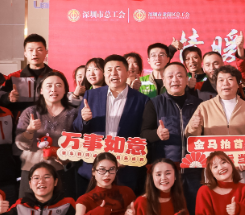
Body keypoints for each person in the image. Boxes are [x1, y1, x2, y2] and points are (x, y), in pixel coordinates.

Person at [74, 55, 150, 188]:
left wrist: (128, 157)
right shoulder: (91, 95)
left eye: (118, 69)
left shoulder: (142, 100)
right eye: (109, 70)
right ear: (104, 74)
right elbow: (76, 128)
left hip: (125, 169)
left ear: (128, 72)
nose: (113, 73)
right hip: (93, 168)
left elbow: (144, 135)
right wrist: (83, 120)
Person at [15, 71, 78, 199]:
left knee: (61, 209)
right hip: (32, 172)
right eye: (49, 85)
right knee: (27, 208)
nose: (53, 89)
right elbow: (20, 144)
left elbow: (78, 145)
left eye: (58, 85)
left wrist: (67, 158)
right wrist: (30, 130)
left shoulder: (73, 113)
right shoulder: (30, 112)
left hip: (60, 172)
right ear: (41, 90)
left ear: (65, 89)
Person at [141, 62, 203, 165]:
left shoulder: (199, 105)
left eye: (179, 76)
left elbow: (207, 134)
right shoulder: (154, 104)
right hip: (165, 166)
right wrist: (156, 134)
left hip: (194, 164)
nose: (175, 80)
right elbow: (143, 134)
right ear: (164, 81)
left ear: (186, 80)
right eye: (170, 76)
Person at [2, 34, 55, 118]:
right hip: (21, 122)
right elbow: (0, 100)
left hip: (50, 121)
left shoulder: (55, 76)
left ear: (46, 52)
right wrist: (8, 98)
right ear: (25, 53)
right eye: (30, 50)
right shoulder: (14, 77)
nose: (35, 54)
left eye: (39, 50)